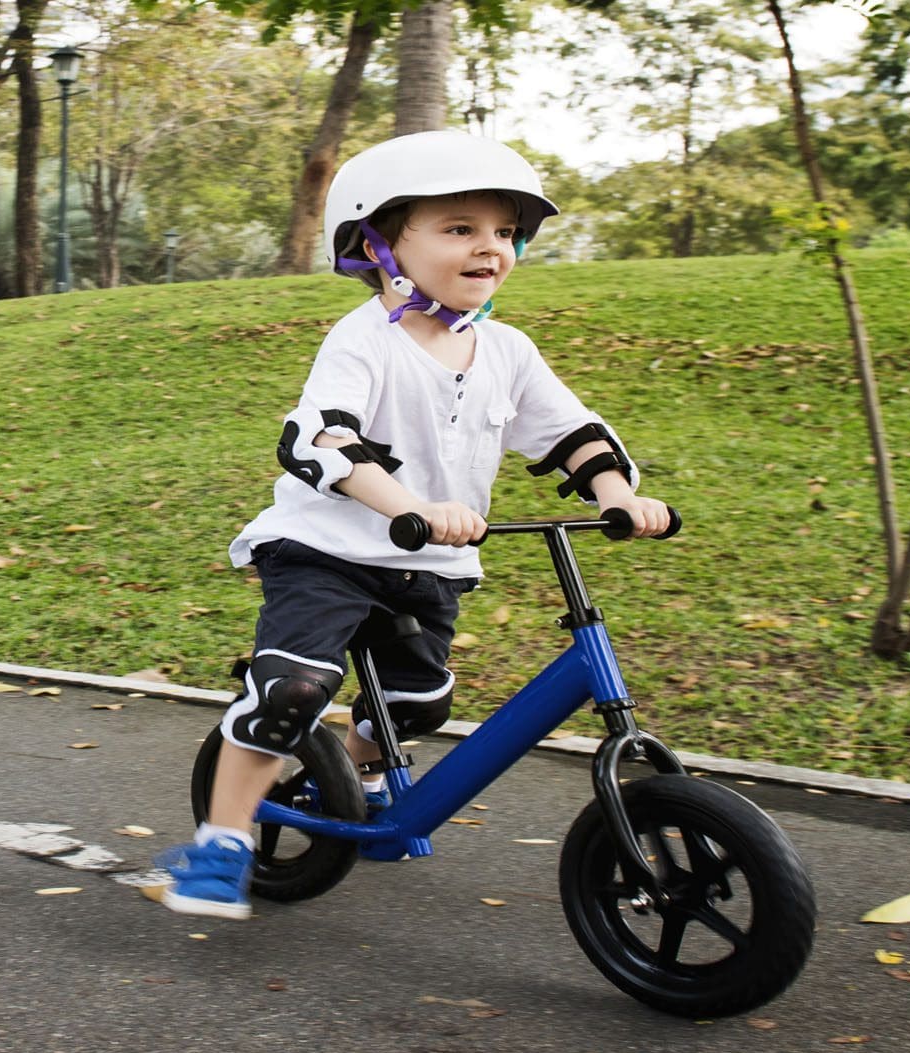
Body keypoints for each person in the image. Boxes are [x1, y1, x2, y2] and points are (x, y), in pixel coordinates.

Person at [158, 130, 672, 920]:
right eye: (458, 228)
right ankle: (221, 841)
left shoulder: (507, 350)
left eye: (505, 232)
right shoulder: (365, 339)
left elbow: (569, 432)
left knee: (419, 702)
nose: (489, 247)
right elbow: (322, 438)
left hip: (430, 564)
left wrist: (614, 493)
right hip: (327, 551)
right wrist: (410, 508)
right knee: (292, 690)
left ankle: (357, 771)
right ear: (380, 241)